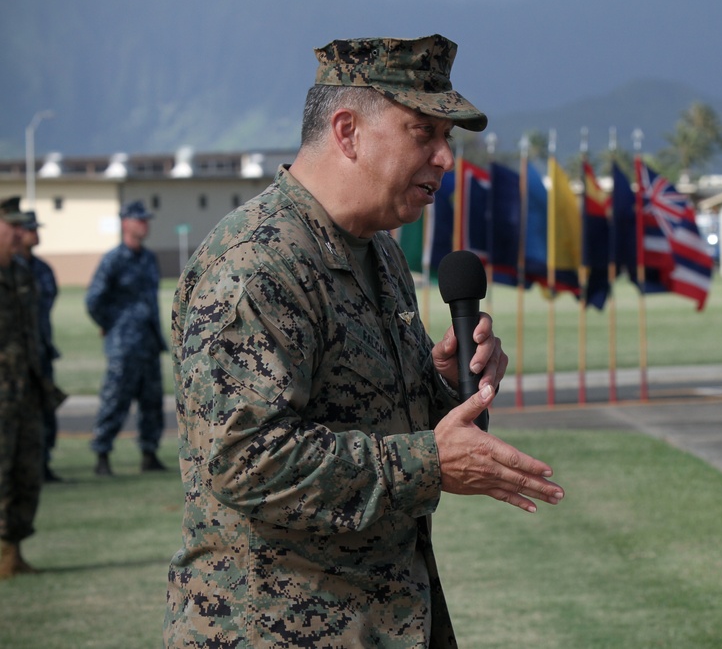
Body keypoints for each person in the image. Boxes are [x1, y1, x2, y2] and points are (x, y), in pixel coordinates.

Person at [164, 34, 564, 648]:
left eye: (448, 139)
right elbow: (244, 462)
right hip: (276, 628)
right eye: (422, 134)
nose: (445, 159)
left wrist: (447, 390)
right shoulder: (258, 264)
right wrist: (432, 462)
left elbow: (365, 419)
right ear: (347, 132)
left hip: (382, 620)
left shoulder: (376, 251)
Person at [85, 200, 168, 476]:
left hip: (149, 342)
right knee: (115, 399)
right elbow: (94, 299)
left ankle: (149, 453)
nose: (145, 224)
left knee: (152, 402)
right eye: (139, 219)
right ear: (125, 223)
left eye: (146, 220)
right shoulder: (113, 259)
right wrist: (111, 324)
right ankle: (102, 456)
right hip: (124, 345)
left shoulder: (149, 258)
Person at [0, 196, 45, 580]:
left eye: (21, 226)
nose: (20, 233)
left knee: (26, 474)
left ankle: (13, 552)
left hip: (24, 393)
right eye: (12, 226)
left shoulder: (22, 273)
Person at [17, 212, 62, 482]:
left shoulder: (42, 269)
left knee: (44, 411)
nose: (35, 234)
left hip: (40, 350)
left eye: (37, 229)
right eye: (29, 229)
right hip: (14, 357)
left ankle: (43, 463)